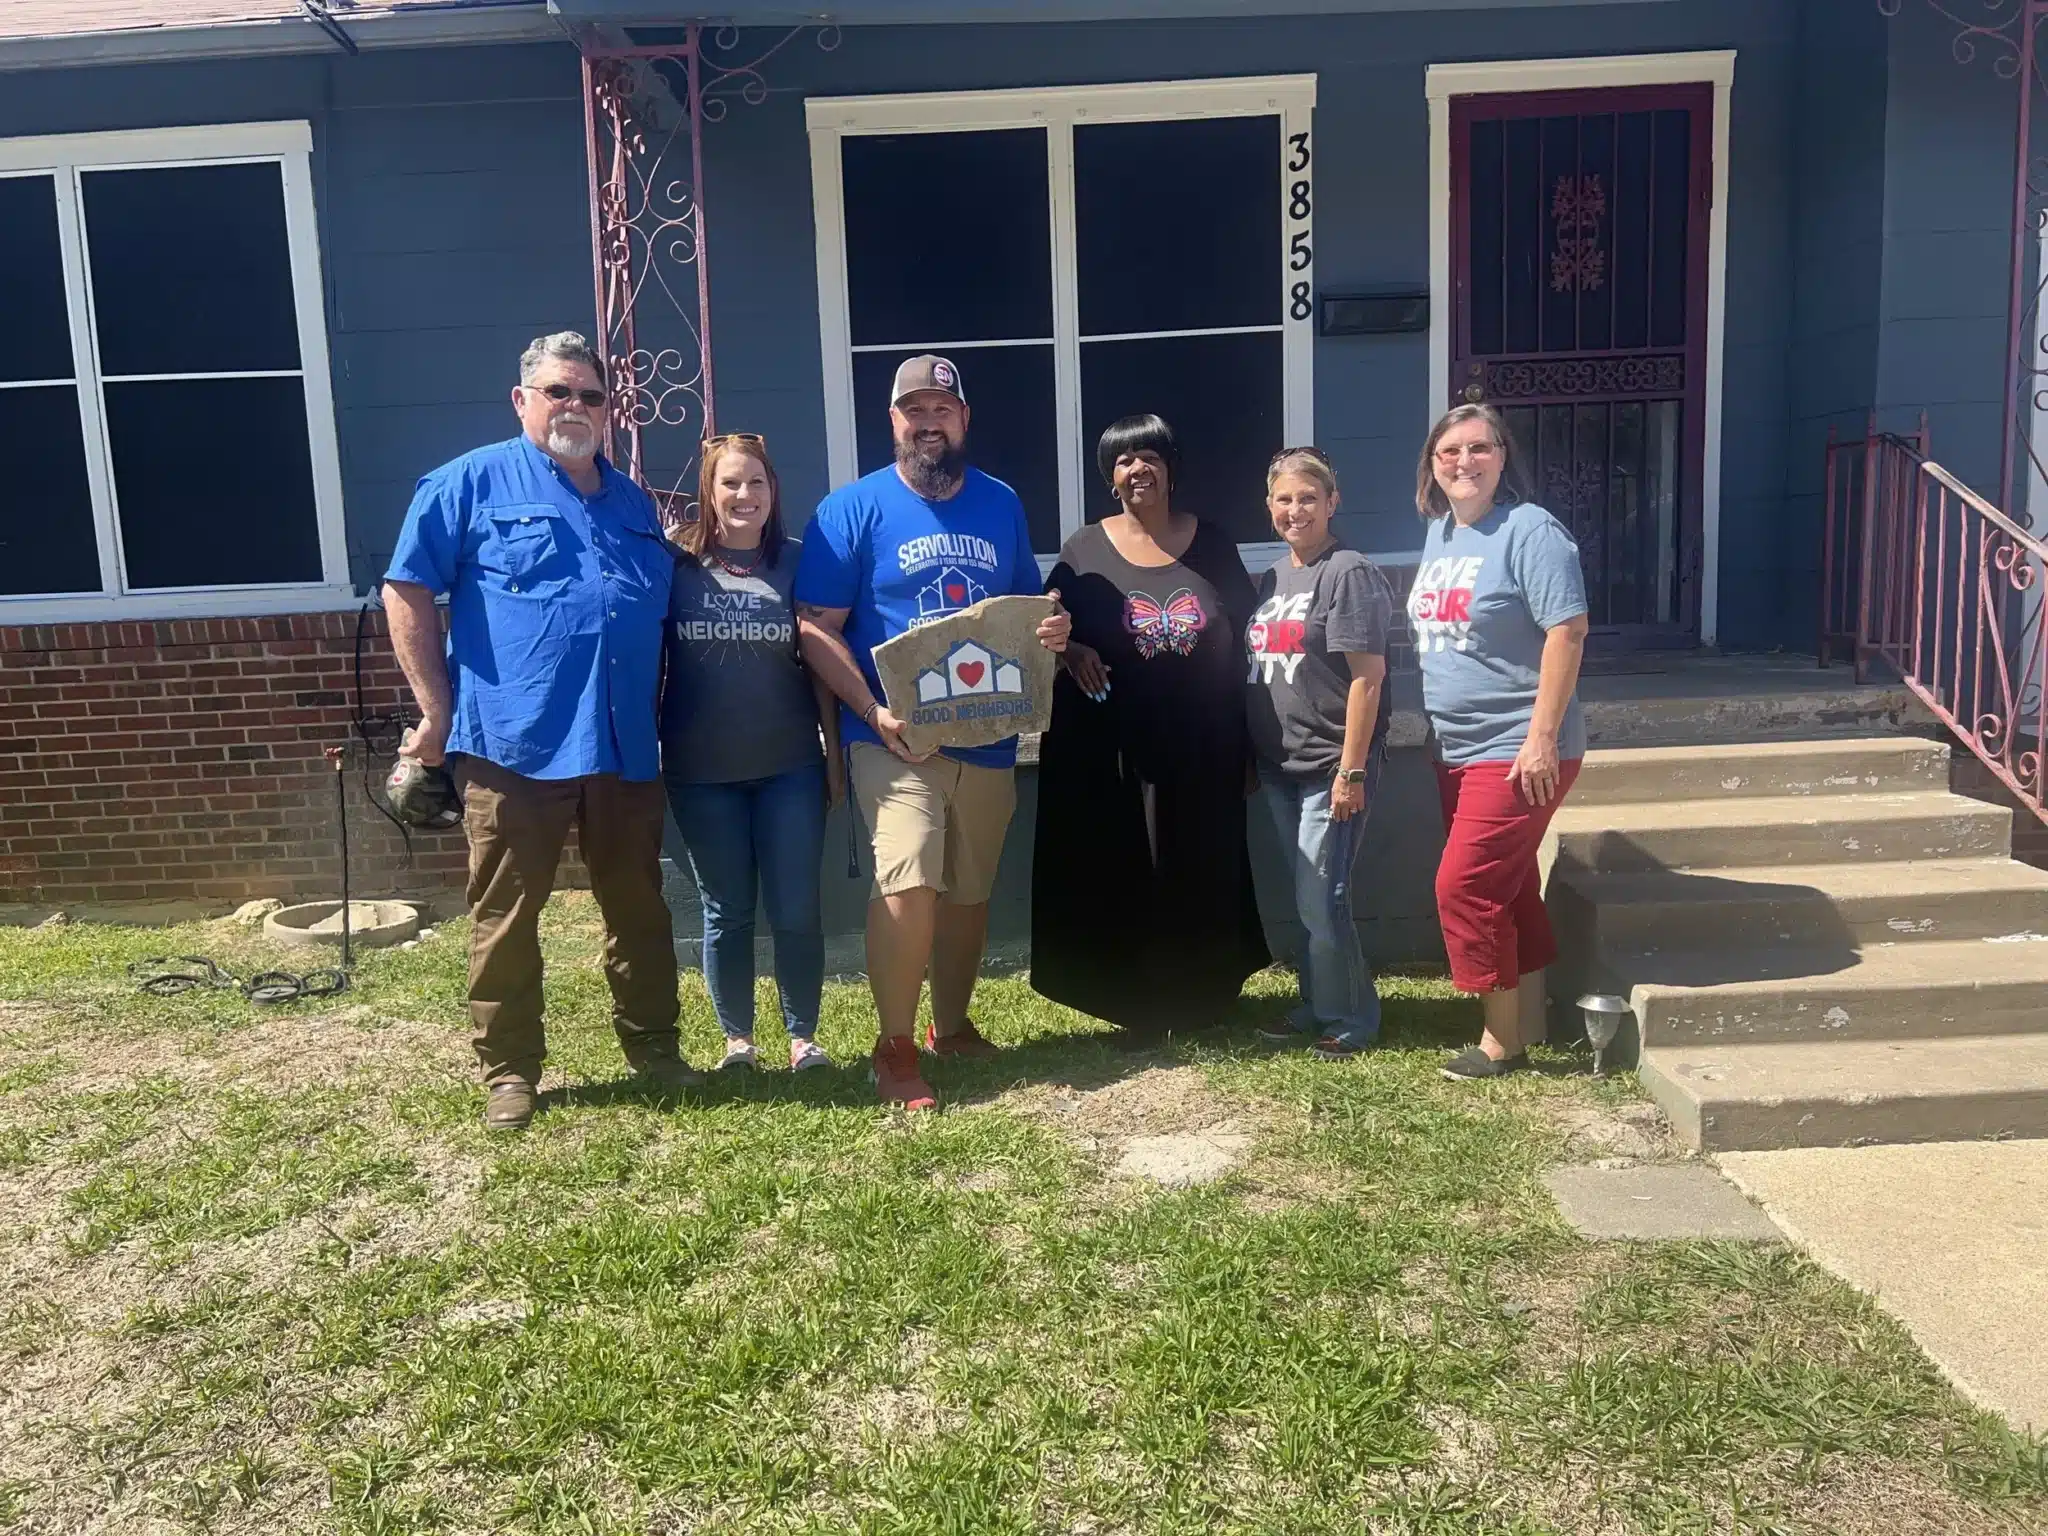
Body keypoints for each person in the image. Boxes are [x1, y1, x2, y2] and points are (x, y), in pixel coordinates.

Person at [384, 331, 697, 1132]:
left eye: (591, 395)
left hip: (624, 743)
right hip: (513, 744)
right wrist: (435, 711)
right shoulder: (467, 483)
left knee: (640, 907)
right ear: (522, 400)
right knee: (507, 915)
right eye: (559, 391)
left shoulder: (632, 503)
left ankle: (655, 1047)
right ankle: (511, 1071)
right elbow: (407, 589)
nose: (576, 407)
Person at [794, 355, 1071, 1110]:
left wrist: (1051, 627)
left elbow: (1023, 608)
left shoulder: (1001, 503)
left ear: (963, 418)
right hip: (893, 737)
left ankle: (951, 1026)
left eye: (941, 409)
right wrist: (871, 711)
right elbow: (815, 628)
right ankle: (894, 1048)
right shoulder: (850, 509)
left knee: (969, 891)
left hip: (987, 734)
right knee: (910, 872)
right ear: (893, 421)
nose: (928, 423)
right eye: (913, 410)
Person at [1030, 414, 1268, 1039]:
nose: (1138, 469)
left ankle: (1202, 997)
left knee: (1201, 865)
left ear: (1171, 468)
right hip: (1114, 749)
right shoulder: (1083, 549)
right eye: (1123, 460)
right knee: (1127, 868)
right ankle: (1132, 1002)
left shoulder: (1212, 543)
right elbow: (1043, 626)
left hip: (1204, 746)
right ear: (1110, 478)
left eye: (1150, 456)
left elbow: (1246, 640)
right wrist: (1069, 649)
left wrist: (1248, 742)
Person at [1408, 403, 1590, 1082]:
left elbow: (1567, 631)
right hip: (1456, 748)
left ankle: (1500, 1045)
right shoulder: (1441, 535)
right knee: (1507, 885)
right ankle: (1532, 1021)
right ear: (1432, 465)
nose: (1465, 462)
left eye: (1479, 448)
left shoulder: (1531, 530)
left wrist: (1540, 737)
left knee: (1465, 884)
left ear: (1503, 456)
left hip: (1517, 748)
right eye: (1450, 451)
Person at [661, 433, 841, 1074]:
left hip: (790, 768)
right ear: (709, 493)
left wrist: (839, 749)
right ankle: (738, 1041)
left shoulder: (800, 562)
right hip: (700, 773)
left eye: (756, 482)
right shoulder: (676, 563)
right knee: (727, 912)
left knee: (796, 910)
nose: (745, 494)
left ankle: (803, 1039)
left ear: (773, 490)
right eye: (730, 483)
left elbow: (828, 656)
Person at [1246, 447, 1395, 1060]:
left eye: (1308, 498)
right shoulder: (1273, 577)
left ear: (1333, 502)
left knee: (1323, 898)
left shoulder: (1348, 572)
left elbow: (1368, 679)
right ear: (1269, 506)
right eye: (1284, 499)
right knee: (1309, 895)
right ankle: (1317, 1002)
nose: (1295, 510)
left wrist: (1351, 771)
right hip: (1281, 765)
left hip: (1331, 764)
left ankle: (1352, 1017)